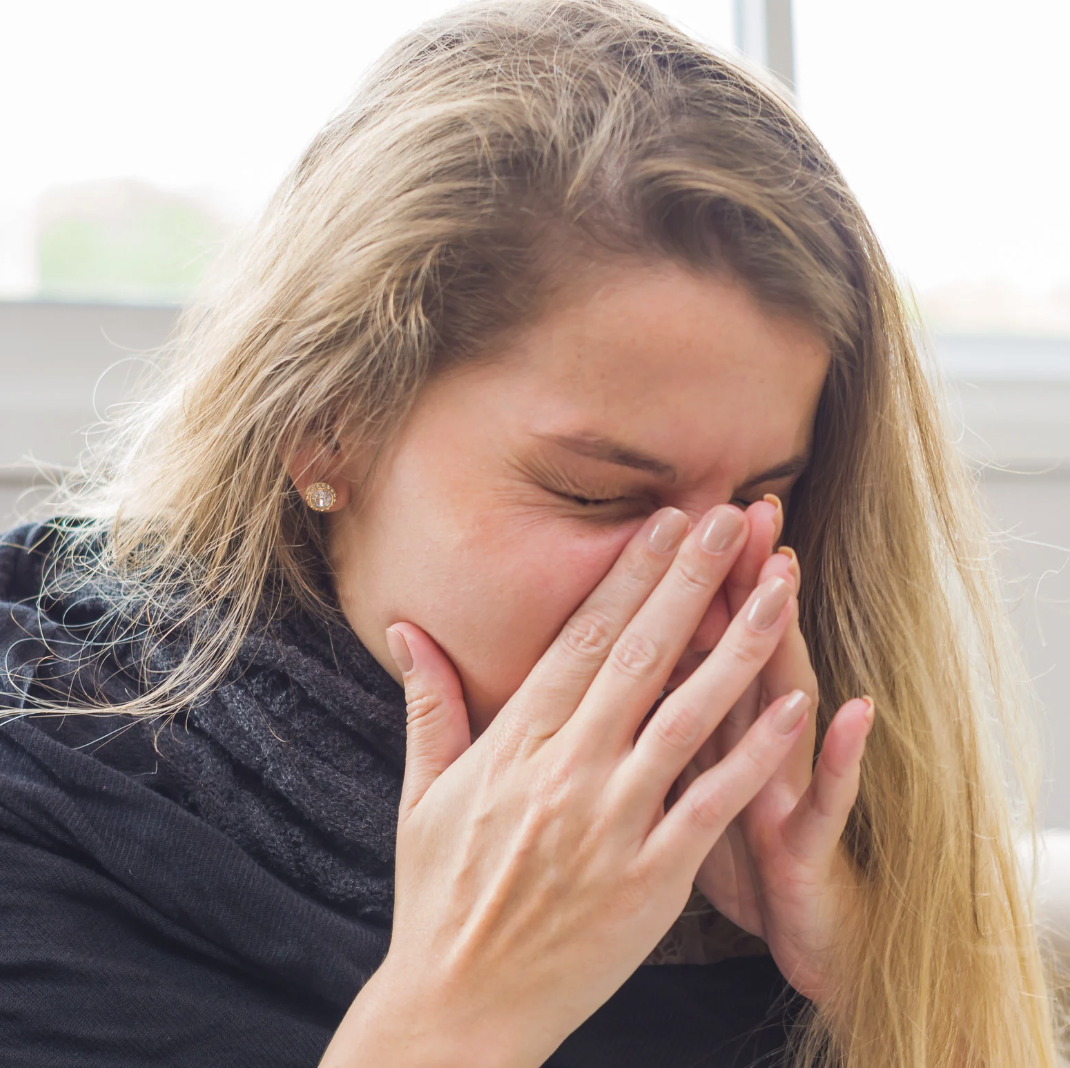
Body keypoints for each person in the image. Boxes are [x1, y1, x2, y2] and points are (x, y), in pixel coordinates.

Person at [0, 1, 1062, 1065]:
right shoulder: (50, 787)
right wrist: (458, 1014)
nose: (702, 587)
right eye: (599, 495)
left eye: (761, 497)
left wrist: (872, 975)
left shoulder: (784, 839)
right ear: (325, 430)